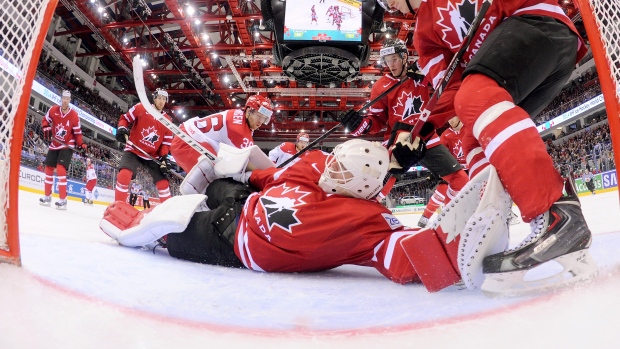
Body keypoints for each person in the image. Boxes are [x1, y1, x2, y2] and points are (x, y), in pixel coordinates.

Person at [376, 0, 596, 292]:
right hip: (520, 67)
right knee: (472, 134)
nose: (386, 3)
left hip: (537, 23)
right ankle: (498, 223)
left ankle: (556, 214)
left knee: (475, 97)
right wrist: (418, 133)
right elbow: (452, 92)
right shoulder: (424, 37)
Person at [100, 139, 457, 290]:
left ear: (364, 189)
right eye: (335, 162)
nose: (332, 172)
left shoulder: (367, 221)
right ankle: (205, 194)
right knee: (216, 183)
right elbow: (267, 176)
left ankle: (158, 223)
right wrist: (232, 171)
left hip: (232, 243)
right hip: (242, 202)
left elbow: (407, 254)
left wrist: (455, 250)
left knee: (167, 232)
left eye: (343, 175)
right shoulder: (318, 163)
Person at [341, 39, 468, 220]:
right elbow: (376, 121)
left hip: (425, 137)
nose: (390, 65)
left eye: (394, 59)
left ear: (404, 56)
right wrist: (358, 125)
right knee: (376, 190)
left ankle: (453, 220)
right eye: (387, 61)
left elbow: (448, 77)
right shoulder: (380, 86)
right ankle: (361, 220)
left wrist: (425, 69)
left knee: (461, 180)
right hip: (396, 142)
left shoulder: (422, 73)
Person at [170, 94, 274, 195]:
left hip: (188, 138)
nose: (261, 122)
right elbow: (244, 162)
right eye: (259, 117)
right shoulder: (240, 130)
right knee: (214, 184)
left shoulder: (239, 116)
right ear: (248, 111)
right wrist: (265, 176)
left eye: (264, 119)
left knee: (218, 178)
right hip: (187, 143)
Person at [114, 88, 173, 203]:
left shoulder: (167, 121)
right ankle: (118, 205)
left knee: (163, 184)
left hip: (152, 155)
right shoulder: (141, 107)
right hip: (134, 149)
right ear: (154, 98)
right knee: (124, 175)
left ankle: (168, 212)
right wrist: (122, 128)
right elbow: (125, 119)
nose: (161, 101)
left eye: (164, 99)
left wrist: (164, 158)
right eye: (159, 98)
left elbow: (166, 144)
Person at [39, 90, 87, 210]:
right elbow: (45, 120)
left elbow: (77, 132)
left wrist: (81, 144)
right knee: (48, 169)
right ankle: (47, 196)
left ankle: (62, 199)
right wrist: (45, 127)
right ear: (61, 99)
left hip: (67, 144)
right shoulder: (53, 110)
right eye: (63, 98)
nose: (65, 100)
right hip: (55, 143)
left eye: (67, 99)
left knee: (60, 169)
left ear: (69, 100)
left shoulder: (74, 115)